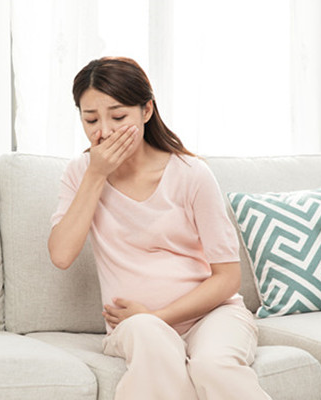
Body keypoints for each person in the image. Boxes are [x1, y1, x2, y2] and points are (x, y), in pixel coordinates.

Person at [47, 57, 271, 400]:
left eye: (118, 117)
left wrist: (158, 316)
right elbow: (61, 255)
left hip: (214, 316)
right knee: (148, 335)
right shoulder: (81, 173)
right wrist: (96, 174)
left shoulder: (191, 173)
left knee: (213, 366)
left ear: (146, 111)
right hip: (136, 327)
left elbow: (227, 278)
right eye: (91, 120)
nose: (104, 131)